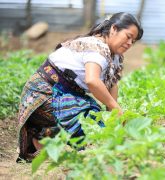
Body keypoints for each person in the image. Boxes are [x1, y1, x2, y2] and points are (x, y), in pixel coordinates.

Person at [16, 12, 143, 162]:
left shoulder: (114, 56)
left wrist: (114, 118)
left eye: (133, 41)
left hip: (63, 94)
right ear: (114, 29)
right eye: (128, 36)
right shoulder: (97, 48)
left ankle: (43, 138)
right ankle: (39, 138)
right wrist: (114, 107)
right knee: (90, 124)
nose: (129, 43)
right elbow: (92, 81)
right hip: (43, 94)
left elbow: (112, 84)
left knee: (98, 118)